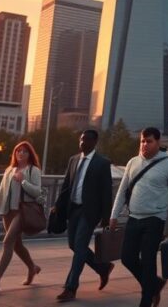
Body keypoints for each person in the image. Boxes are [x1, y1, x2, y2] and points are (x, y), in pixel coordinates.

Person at [110, 127, 168, 307]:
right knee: (127, 257)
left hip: (155, 218)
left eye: (149, 141)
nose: (145, 145)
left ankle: (146, 299)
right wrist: (114, 215)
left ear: (158, 143)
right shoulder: (133, 162)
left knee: (149, 259)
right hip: (134, 217)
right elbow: (122, 191)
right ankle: (154, 285)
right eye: (142, 141)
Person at [52, 129, 114, 303]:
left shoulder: (102, 163)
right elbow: (66, 185)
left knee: (80, 246)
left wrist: (106, 216)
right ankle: (103, 268)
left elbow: (106, 192)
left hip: (90, 212)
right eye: (80, 139)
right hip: (74, 209)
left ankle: (70, 288)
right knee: (74, 245)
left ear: (94, 142)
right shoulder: (73, 160)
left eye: (86, 139)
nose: (82, 142)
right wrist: (58, 205)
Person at [0, 141, 44, 294]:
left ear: (30, 154)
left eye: (24, 151)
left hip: (22, 212)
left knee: (8, 242)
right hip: (7, 212)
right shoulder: (9, 170)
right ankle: (32, 268)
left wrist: (23, 180)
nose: (21, 153)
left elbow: (37, 192)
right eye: (18, 151)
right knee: (17, 245)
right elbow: (1, 192)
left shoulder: (33, 170)